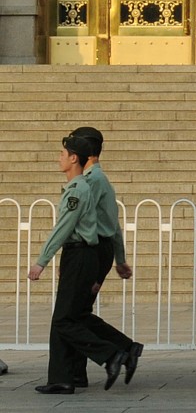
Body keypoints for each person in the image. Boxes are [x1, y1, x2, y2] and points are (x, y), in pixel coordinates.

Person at [28, 134, 129, 394]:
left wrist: (42, 261)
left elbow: (63, 228)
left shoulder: (79, 189)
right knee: (68, 317)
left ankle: (111, 354)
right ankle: (63, 378)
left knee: (64, 320)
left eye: (63, 154)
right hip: (80, 255)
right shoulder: (82, 186)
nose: (59, 158)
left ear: (74, 158)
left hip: (80, 254)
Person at [67, 127, 144, 388]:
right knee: (78, 313)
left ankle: (118, 352)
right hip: (100, 249)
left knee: (73, 315)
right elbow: (114, 223)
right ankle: (119, 352)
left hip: (93, 250)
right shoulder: (98, 179)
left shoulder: (92, 181)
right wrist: (120, 259)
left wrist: (105, 266)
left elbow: (105, 225)